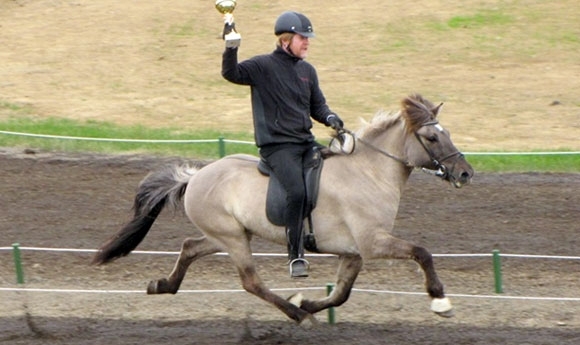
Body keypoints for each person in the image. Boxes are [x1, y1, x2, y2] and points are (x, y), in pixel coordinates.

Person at [221, 11, 344, 278]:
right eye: (303, 38)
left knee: (337, 171)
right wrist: (231, 47)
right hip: (277, 147)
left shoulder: (307, 71)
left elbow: (318, 106)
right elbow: (231, 73)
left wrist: (331, 117)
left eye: (308, 38)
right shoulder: (262, 66)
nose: (308, 42)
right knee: (297, 192)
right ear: (286, 40)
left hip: (304, 142)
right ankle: (295, 256)